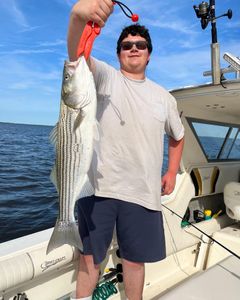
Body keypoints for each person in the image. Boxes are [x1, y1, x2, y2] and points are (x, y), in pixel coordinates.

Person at [67, 1, 184, 299]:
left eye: (140, 44)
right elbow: (77, 57)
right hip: (100, 189)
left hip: (143, 192)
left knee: (134, 261)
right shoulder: (106, 77)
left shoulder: (164, 97)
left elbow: (177, 136)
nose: (133, 48)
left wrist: (171, 170)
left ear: (149, 54)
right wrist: (78, 16)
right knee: (90, 258)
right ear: (119, 53)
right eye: (126, 45)